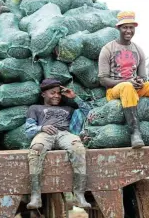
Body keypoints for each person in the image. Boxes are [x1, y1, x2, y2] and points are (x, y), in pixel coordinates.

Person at [98, 11, 149, 149]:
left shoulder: (138, 50)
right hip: (114, 90)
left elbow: (142, 76)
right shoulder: (108, 49)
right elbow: (103, 80)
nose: (128, 30)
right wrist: (128, 82)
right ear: (118, 28)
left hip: (132, 87)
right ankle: (135, 133)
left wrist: (140, 81)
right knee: (127, 87)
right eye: (125, 27)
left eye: (131, 27)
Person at [25, 78, 92, 209]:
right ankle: (35, 196)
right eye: (52, 93)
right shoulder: (35, 108)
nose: (56, 96)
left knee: (78, 148)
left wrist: (75, 97)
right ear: (43, 94)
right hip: (44, 133)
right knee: (36, 149)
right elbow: (28, 130)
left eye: (58, 93)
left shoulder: (68, 108)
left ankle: (79, 195)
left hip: (65, 134)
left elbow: (89, 113)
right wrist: (41, 128)